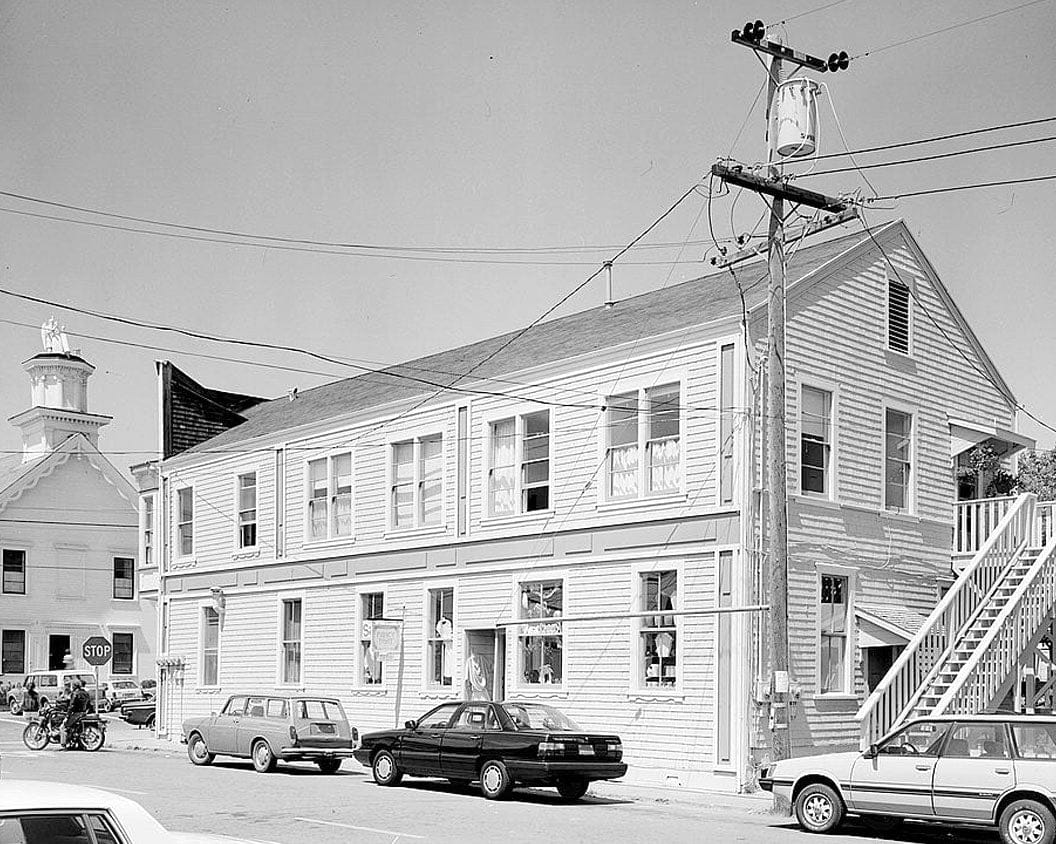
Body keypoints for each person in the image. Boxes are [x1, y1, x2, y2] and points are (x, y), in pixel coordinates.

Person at [60, 679, 91, 748]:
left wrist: (67, 716)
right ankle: (73, 742)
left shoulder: (75, 693)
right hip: (83, 713)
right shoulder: (85, 693)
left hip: (76, 713)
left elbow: (72, 706)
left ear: (74, 686)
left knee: (65, 726)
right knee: (73, 727)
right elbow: (89, 704)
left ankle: (65, 743)